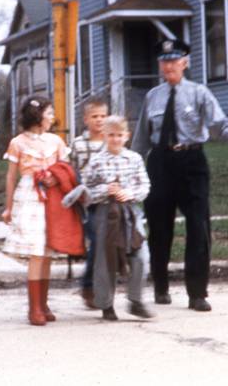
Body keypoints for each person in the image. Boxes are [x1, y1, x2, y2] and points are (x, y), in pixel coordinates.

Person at [133, 39, 228, 312]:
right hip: (160, 162)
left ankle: (197, 293)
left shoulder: (199, 93)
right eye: (164, 61)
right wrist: (130, 169)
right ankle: (161, 286)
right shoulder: (153, 96)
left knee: (198, 226)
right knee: (159, 227)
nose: (168, 65)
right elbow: (141, 139)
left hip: (191, 162)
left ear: (185, 63)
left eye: (174, 60)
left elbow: (221, 120)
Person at [1, 96, 69, 326]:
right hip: (30, 196)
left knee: (47, 251)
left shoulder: (56, 141)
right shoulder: (18, 143)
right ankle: (34, 307)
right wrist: (8, 207)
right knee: (36, 251)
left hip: (52, 196)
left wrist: (55, 177)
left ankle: (44, 302)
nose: (52, 118)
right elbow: (11, 176)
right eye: (49, 114)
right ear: (38, 117)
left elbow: (66, 168)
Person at [82, 115, 153, 321]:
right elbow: (87, 191)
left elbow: (144, 185)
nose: (115, 139)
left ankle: (136, 301)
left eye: (119, 135)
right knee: (105, 259)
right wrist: (106, 189)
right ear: (104, 136)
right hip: (105, 213)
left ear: (127, 136)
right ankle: (106, 304)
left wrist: (130, 193)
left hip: (130, 212)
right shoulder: (96, 161)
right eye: (111, 135)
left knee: (141, 257)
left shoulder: (134, 158)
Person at [69, 97, 108, 308]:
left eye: (103, 116)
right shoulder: (78, 144)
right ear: (86, 119)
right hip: (87, 203)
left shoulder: (110, 141)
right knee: (97, 241)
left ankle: (102, 286)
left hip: (108, 199)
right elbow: (71, 170)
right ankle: (88, 285)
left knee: (108, 244)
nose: (99, 120)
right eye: (95, 116)